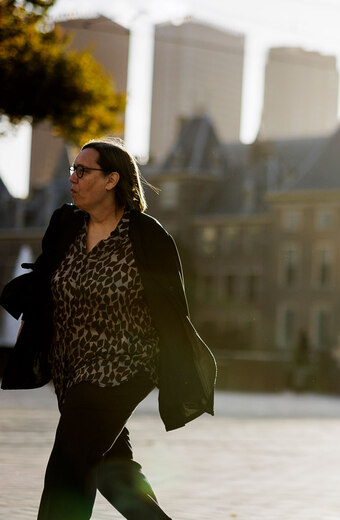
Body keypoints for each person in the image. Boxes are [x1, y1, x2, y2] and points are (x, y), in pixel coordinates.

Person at [0, 137, 217, 520]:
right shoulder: (65, 224)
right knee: (111, 472)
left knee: (67, 466)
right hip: (71, 368)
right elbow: (46, 278)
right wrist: (31, 326)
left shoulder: (148, 237)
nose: (73, 178)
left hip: (124, 366)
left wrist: (179, 368)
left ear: (112, 179)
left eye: (83, 171)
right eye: (73, 170)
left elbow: (172, 309)